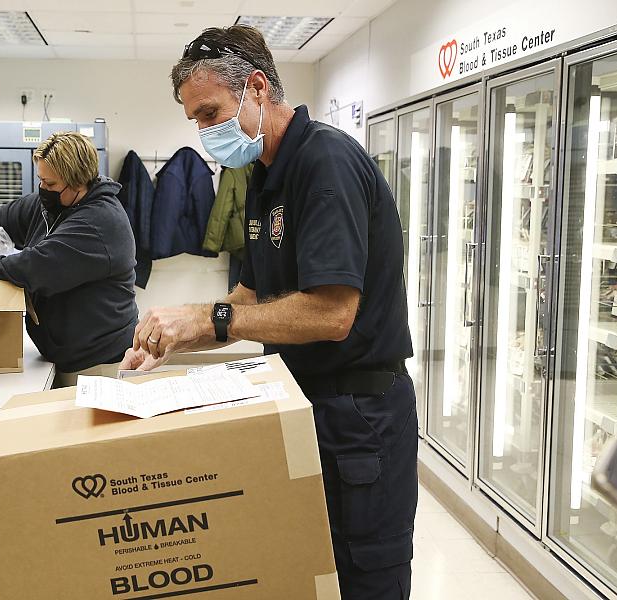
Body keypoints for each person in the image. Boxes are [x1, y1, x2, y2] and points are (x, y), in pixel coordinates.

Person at [120, 25, 417, 599]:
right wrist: (177, 334)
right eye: (196, 122)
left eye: (210, 114)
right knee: (304, 567)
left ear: (255, 88)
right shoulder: (261, 175)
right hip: (304, 404)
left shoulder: (324, 162)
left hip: (359, 418)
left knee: (359, 577)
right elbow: (251, 296)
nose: (206, 134)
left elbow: (332, 314)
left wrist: (210, 322)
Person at [0, 132, 138, 386]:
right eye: (41, 181)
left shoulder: (100, 223)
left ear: (78, 182)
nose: (43, 190)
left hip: (98, 362)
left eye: (50, 185)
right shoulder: (52, 205)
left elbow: (35, 267)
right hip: (60, 354)